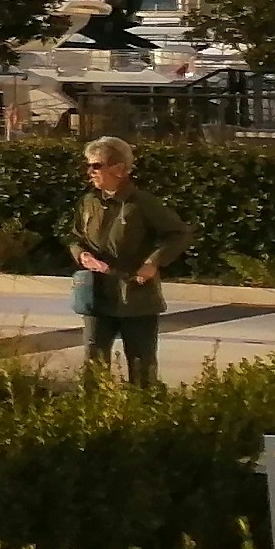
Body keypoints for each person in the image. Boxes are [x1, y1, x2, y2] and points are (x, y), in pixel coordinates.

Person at [70, 136, 189, 388]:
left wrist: (154, 262)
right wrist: (82, 254)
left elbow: (179, 234)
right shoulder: (88, 202)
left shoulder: (143, 203)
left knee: (141, 368)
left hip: (136, 298)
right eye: (88, 165)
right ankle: (92, 419)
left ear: (119, 169)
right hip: (96, 295)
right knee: (93, 366)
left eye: (96, 166)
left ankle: (142, 417)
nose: (89, 172)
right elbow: (75, 237)